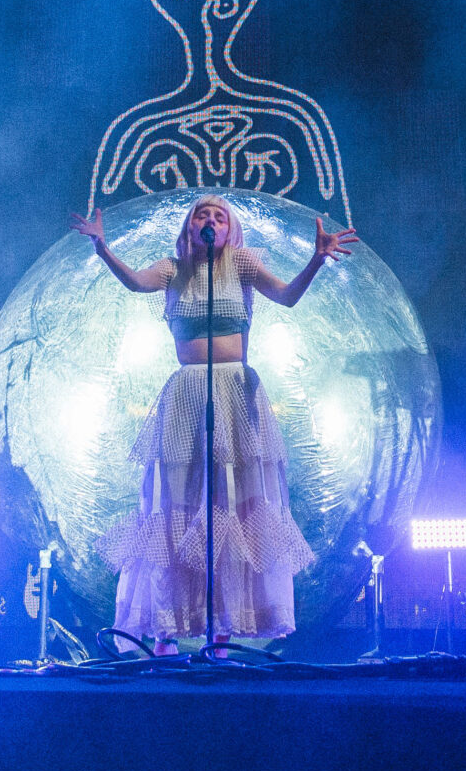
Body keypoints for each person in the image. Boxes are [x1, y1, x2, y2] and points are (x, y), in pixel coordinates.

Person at [76, 193, 353, 648]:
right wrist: (102, 248)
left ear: (230, 228)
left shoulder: (242, 264)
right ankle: (166, 627)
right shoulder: (173, 270)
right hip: (187, 393)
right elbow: (137, 283)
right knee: (178, 503)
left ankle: (223, 631)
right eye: (202, 214)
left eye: (219, 216)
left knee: (233, 502)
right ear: (190, 226)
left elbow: (286, 296)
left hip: (236, 392)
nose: (210, 220)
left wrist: (316, 260)